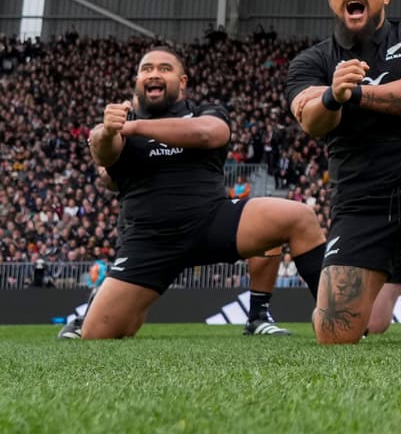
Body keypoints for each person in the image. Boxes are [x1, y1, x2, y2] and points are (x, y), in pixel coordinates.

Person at [80, 47, 327, 339]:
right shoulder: (117, 124)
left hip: (211, 220)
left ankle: (309, 315)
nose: (154, 74)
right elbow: (103, 154)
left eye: (164, 68)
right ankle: (100, 310)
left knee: (298, 216)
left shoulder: (202, 112)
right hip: (149, 240)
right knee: (97, 334)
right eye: (146, 69)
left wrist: (133, 127)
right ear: (137, 80)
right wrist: (108, 131)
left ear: (182, 81)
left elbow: (211, 133)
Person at [286, 0, 401, 344]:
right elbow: (311, 120)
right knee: (334, 333)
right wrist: (331, 97)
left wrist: (353, 94)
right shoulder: (311, 61)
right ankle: (392, 271)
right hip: (363, 196)